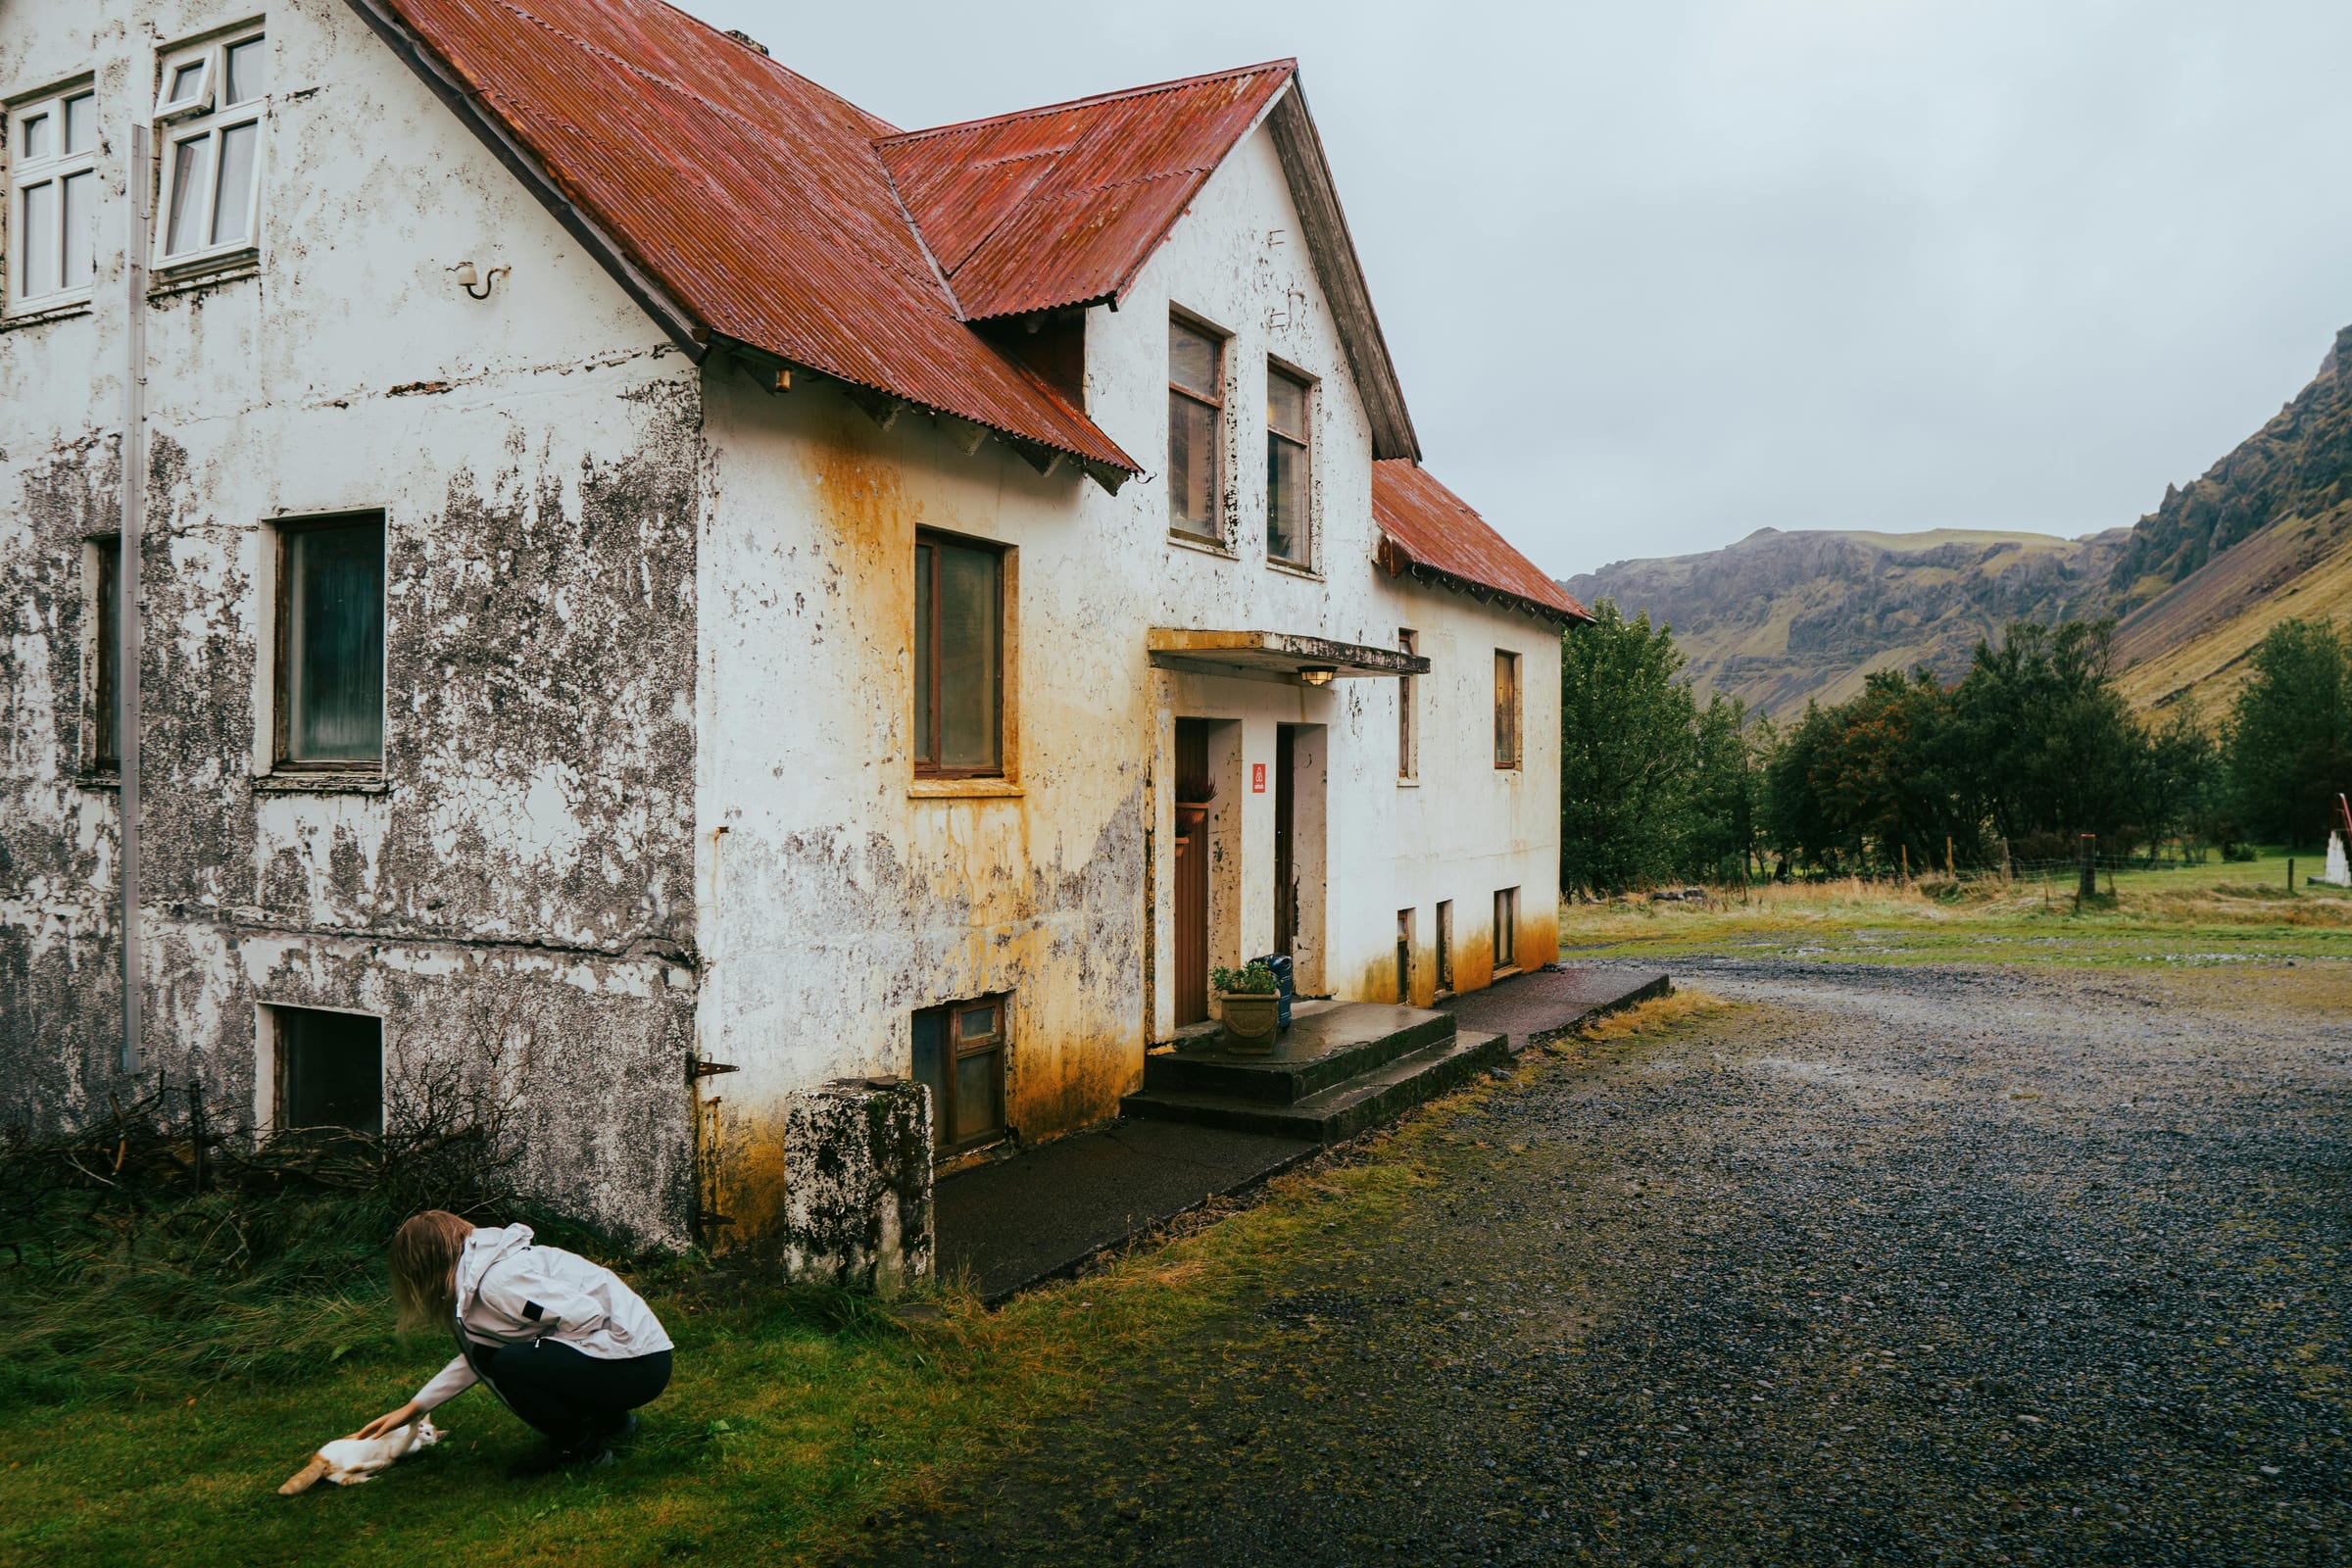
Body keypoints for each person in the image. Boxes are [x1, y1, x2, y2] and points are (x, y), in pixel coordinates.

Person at [352, 1211, 674, 1478]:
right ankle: (614, 1423)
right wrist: (415, 1407)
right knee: (508, 1358)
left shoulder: (497, 1281)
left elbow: (586, 1315)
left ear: (426, 1266)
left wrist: (536, 1349)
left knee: (512, 1363)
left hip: (638, 1364)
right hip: (632, 1356)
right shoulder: (479, 1279)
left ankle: (581, 1448)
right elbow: (478, 1357)